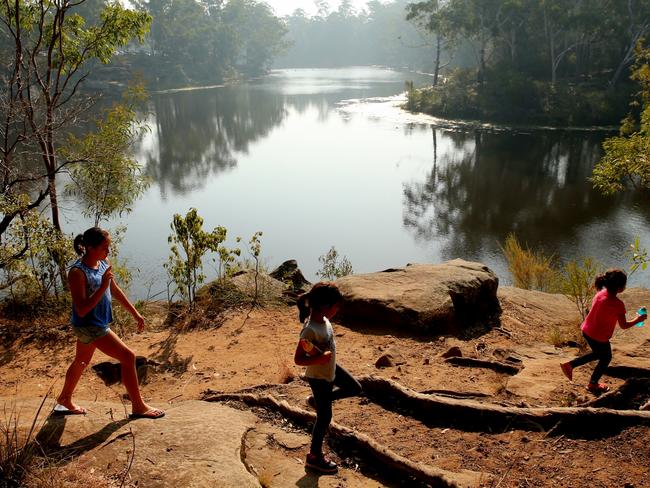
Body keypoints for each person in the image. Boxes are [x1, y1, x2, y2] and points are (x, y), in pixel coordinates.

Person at [55, 227, 164, 419]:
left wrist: (135, 313)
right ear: (90, 247)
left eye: (109, 247)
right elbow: (81, 309)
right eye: (105, 247)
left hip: (95, 324)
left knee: (81, 361)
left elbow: (114, 290)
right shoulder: (77, 273)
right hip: (90, 325)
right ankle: (138, 406)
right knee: (128, 357)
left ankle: (65, 398)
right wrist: (103, 285)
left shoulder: (103, 263)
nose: (108, 251)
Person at [293, 282, 362, 474]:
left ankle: (317, 401)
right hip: (318, 377)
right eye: (336, 306)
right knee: (325, 417)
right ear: (325, 306)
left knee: (355, 387)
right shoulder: (310, 329)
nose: (338, 310)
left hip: (330, 370)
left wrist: (325, 359)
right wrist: (319, 358)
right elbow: (298, 359)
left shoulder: (324, 320)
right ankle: (314, 458)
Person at [560, 269, 646, 393]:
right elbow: (624, 325)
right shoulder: (617, 304)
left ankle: (570, 365)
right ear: (620, 287)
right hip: (598, 336)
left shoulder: (600, 293)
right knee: (606, 357)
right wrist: (638, 319)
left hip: (587, 330)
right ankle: (592, 383)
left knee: (598, 354)